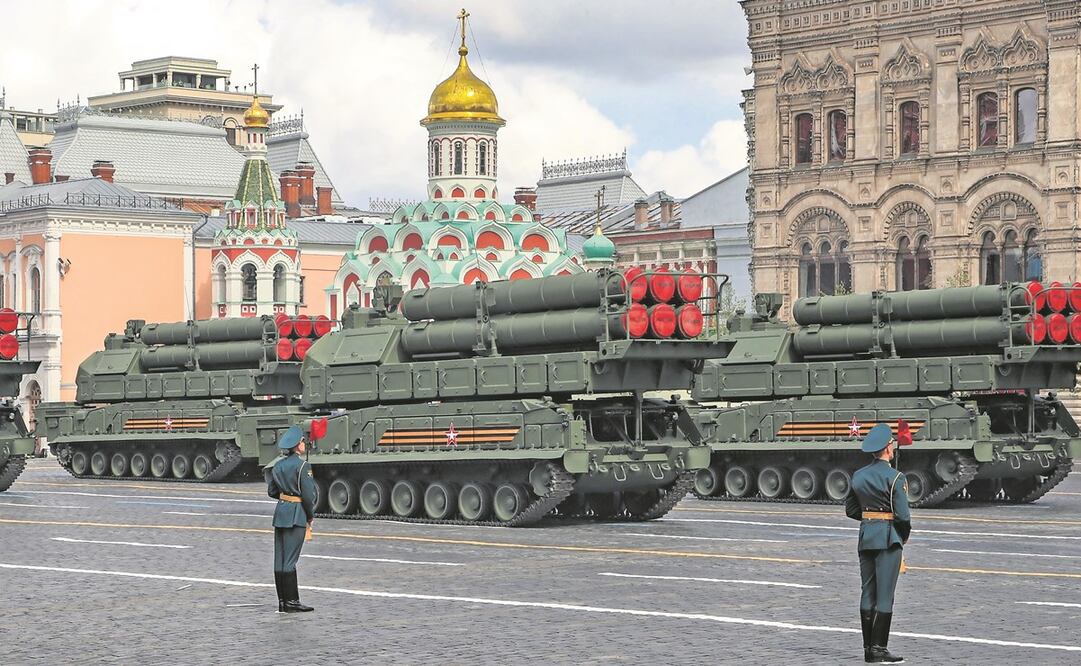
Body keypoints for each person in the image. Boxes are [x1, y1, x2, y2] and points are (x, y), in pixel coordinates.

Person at [845, 422, 911, 663]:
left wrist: (871, 519)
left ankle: (867, 649)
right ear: (888, 448)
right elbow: (903, 517)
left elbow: (851, 510)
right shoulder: (896, 477)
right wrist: (902, 536)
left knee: (867, 592)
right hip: (888, 539)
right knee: (885, 595)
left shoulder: (859, 475)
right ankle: (879, 649)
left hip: (866, 537)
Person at [266, 425, 316, 613]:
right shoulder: (303, 466)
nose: (304, 444)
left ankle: (283, 602)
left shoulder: (278, 465)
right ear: (297, 445)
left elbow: (272, 491)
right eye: (303, 441)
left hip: (281, 513)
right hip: (296, 514)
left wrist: (285, 497)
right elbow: (308, 496)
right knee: (290, 561)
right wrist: (310, 516)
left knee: (280, 560)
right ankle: (292, 602)